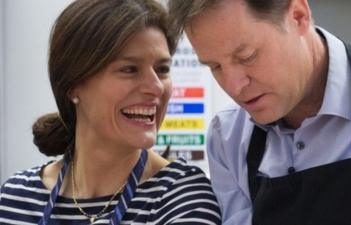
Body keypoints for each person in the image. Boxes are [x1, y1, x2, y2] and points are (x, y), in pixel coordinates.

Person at [168, 0, 351, 224]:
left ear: (298, 16)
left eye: (247, 57)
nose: (233, 86)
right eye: (215, 67)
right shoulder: (228, 136)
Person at [0, 0, 221, 224]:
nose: (155, 87)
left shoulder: (180, 196)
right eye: (129, 69)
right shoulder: (15, 197)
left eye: (162, 69)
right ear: (73, 85)